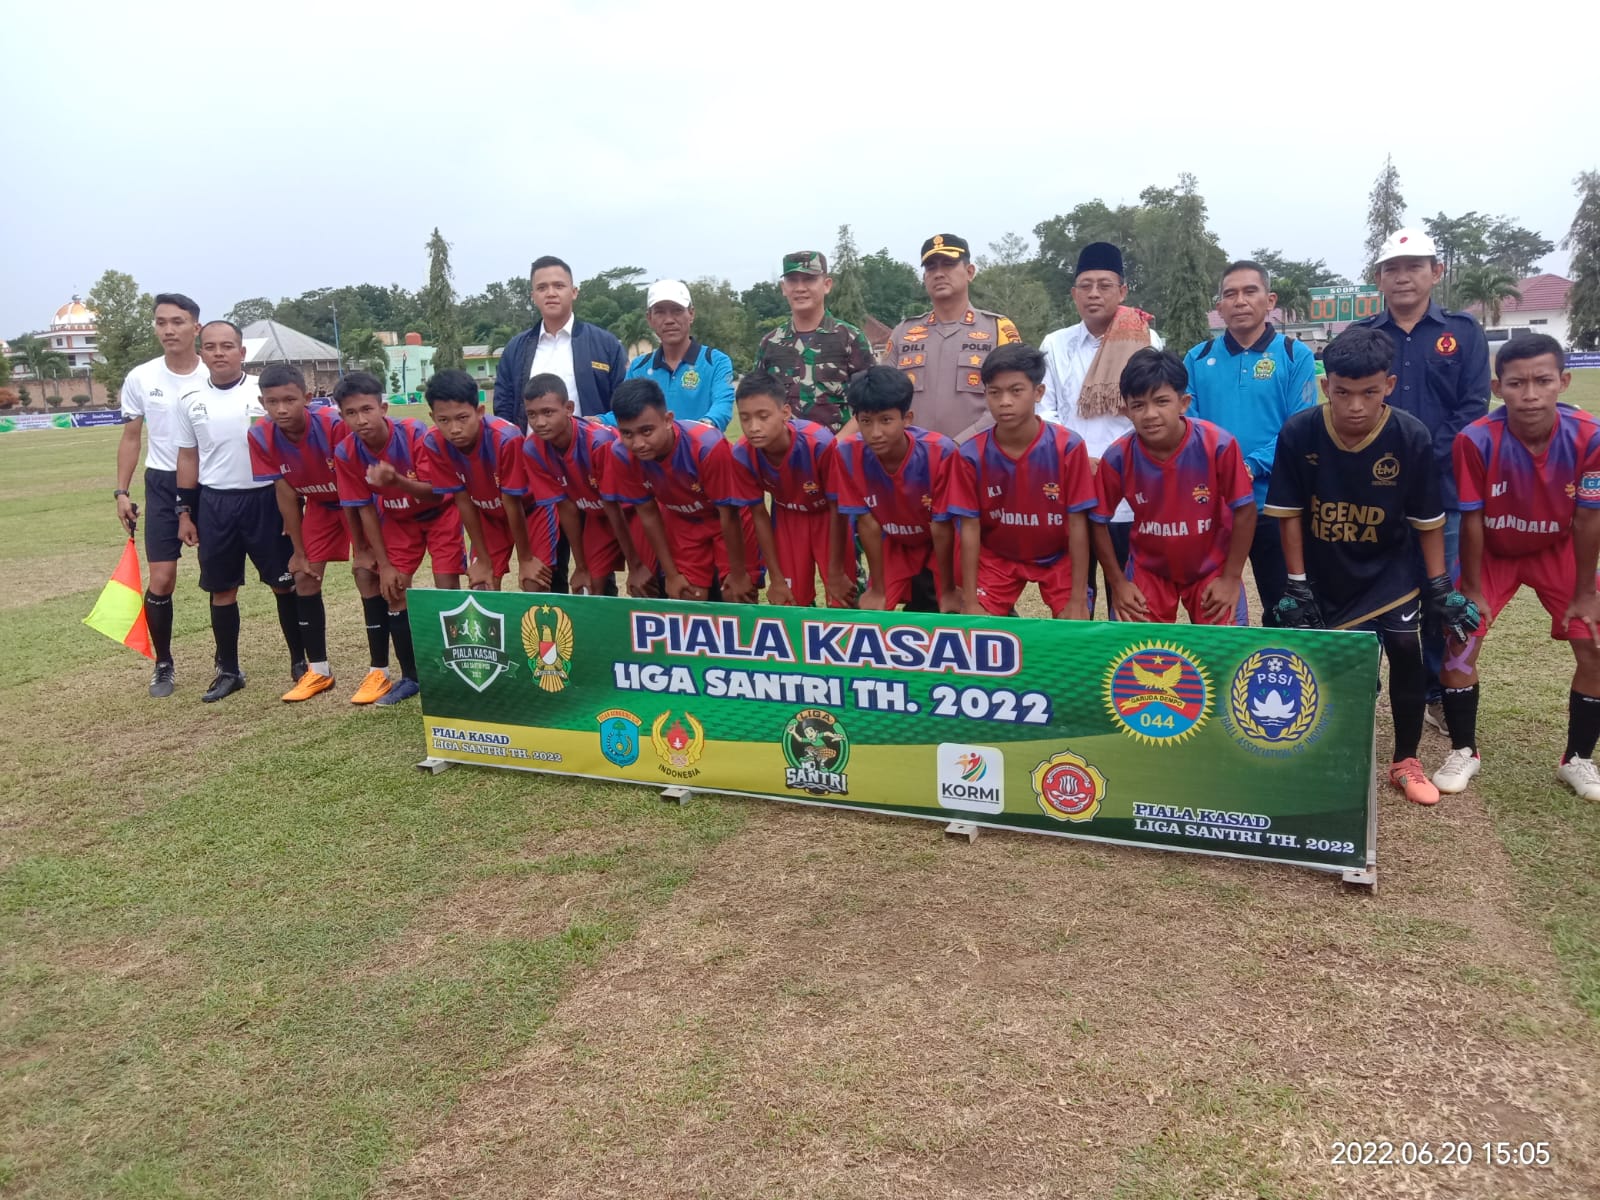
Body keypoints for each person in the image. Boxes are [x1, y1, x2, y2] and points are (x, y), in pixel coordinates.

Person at [1264, 327, 1477, 807]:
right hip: (1326, 568)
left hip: (1390, 568)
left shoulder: (1410, 435)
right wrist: (1296, 584)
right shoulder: (1299, 433)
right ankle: (1324, 752)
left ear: (1390, 384)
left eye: (1369, 392)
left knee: (1405, 647)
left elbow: (1426, 520)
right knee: (1328, 661)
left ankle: (1405, 760)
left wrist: (1440, 585)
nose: (1355, 405)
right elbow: (1291, 515)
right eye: (1343, 392)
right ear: (1326, 387)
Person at [1435, 335, 1600, 800]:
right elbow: (1470, 516)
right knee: (1460, 642)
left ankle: (1578, 759)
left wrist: (1585, 591)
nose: (1530, 394)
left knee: (1594, 643)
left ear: (1563, 382)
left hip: (1558, 550)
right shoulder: (1475, 439)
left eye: (1543, 381)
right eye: (1517, 383)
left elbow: (1589, 517)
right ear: (1496, 387)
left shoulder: (1590, 436)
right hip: (1493, 553)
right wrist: (1470, 586)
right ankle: (1464, 750)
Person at [1353, 228, 1491, 726]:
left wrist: (1418, 457)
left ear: (1436, 271)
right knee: (1365, 586)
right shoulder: (1365, 335)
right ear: (1379, 279)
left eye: (1414, 266)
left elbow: (1474, 407)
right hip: (1374, 490)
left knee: (1438, 590)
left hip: (1442, 490)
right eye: (1393, 267)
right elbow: (1352, 405)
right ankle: (1359, 687)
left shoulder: (1463, 331)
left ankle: (1433, 690)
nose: (1403, 276)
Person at [248, 363, 392, 704]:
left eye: (289, 400)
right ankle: (319, 670)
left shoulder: (333, 425)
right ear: (262, 402)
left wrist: (363, 548)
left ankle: (379, 672)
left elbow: (354, 489)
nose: (281, 409)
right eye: (272, 402)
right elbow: (285, 493)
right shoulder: (259, 435)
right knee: (304, 576)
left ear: (307, 399)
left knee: (366, 574)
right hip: (320, 507)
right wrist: (297, 550)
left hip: (358, 505)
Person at [173, 321, 301, 703]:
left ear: (242, 352)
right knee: (222, 588)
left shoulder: (265, 393)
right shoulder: (189, 397)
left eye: (227, 346)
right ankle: (228, 670)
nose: (219, 352)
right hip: (216, 503)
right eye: (210, 346)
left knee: (284, 582)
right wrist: (185, 512)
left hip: (266, 498)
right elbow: (188, 456)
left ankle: (301, 662)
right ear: (201, 352)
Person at [1184, 260, 1317, 617]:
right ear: (1219, 307)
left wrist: (1250, 465)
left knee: (1283, 607)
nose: (1240, 301)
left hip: (1275, 505)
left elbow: (1299, 428)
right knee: (1215, 607)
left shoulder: (1294, 354)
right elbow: (1188, 427)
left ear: (1269, 300)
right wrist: (1224, 470)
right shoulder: (1197, 359)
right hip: (1214, 506)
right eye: (1230, 294)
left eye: (1249, 291)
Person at [1038, 243, 1164, 616]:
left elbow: (1150, 412)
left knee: (1129, 602)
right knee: (1075, 599)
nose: (1094, 294)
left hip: (1131, 489)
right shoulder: (1055, 344)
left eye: (1104, 285)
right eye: (1086, 285)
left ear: (1122, 291)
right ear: (1074, 294)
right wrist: (1081, 457)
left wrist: (1112, 462)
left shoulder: (1146, 341)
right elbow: (1045, 411)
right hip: (1072, 486)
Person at [1093, 349, 1256, 624]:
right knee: (1133, 651)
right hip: (1149, 569)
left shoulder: (1218, 445)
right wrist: (1119, 583)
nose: (1150, 414)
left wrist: (1230, 578)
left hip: (1211, 566)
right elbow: (1096, 520)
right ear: (1126, 410)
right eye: (1138, 405)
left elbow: (1246, 510)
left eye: (1161, 401)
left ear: (1183, 403)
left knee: (1227, 651)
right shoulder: (1118, 456)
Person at [334, 371, 465, 707]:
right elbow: (364, 509)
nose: (361, 420)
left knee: (446, 588)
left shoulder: (416, 434)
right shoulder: (347, 452)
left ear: (383, 407)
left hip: (439, 515)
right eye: (351, 413)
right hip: (397, 520)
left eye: (367, 409)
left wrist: (395, 481)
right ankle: (411, 677)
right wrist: (385, 564)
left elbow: (436, 494)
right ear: (341, 416)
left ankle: (457, 671)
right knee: (393, 590)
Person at [945, 344, 1095, 619]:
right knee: (978, 626)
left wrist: (1077, 598)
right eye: (995, 392)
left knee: (1074, 625)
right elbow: (969, 528)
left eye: (1016, 391)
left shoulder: (1068, 447)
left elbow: (1077, 523)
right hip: (997, 557)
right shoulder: (970, 454)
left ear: (1038, 393)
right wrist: (970, 598)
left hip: (1057, 556)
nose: (1004, 401)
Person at [114, 292, 209, 697]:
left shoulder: (214, 373)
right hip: (162, 483)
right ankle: (164, 664)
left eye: (177, 321)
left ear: (195, 327)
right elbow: (131, 437)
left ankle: (228, 663)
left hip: (213, 482)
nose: (168, 329)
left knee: (221, 578)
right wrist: (121, 491)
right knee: (163, 578)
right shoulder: (141, 377)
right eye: (160, 322)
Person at [600, 378, 758, 603]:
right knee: (686, 596)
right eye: (627, 434)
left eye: (646, 431)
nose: (638, 443)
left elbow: (729, 514)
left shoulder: (707, 447)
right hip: (683, 520)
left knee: (736, 595)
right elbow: (648, 513)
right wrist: (672, 574)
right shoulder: (622, 455)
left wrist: (739, 573)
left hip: (727, 518)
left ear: (667, 420)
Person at [421, 369, 563, 592]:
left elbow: (512, 502)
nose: (454, 429)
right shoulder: (434, 442)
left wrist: (525, 560)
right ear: (432, 418)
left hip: (531, 511)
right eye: (443, 420)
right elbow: (463, 500)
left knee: (534, 582)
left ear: (479, 412)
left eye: (462, 418)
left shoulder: (506, 439)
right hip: (488, 516)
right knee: (481, 584)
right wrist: (484, 561)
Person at [832, 366, 959, 612]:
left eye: (886, 420)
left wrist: (949, 590)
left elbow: (942, 526)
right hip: (893, 543)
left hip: (942, 541)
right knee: (873, 610)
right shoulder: (847, 453)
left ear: (907, 418)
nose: (875, 432)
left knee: (957, 609)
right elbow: (866, 523)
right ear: (856, 420)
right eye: (866, 422)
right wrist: (877, 589)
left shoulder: (940, 452)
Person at [728, 373, 854, 608]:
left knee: (841, 600)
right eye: (745, 418)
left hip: (827, 516)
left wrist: (836, 572)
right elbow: (758, 514)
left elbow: (839, 508)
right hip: (787, 517)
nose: (754, 427)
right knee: (789, 600)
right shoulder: (742, 453)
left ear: (785, 413)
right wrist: (775, 578)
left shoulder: (819, 444)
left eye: (763, 416)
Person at [881, 235, 1022, 443]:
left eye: (948, 264)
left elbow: (1016, 398)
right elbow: (883, 399)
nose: (938, 273)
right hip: (914, 459)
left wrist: (960, 444)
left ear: (970, 272)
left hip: (980, 456)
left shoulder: (998, 329)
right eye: (930, 267)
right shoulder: (904, 332)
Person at [521, 373, 652, 597]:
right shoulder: (533, 448)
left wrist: (636, 565)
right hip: (598, 517)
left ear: (569, 408)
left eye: (548, 412)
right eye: (532, 414)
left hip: (633, 514)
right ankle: (604, 629)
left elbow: (615, 507)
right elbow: (566, 508)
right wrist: (581, 566)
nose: (540, 422)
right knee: (589, 585)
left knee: (645, 585)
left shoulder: (599, 443)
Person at [493, 256, 628, 426]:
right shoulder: (515, 349)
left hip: (592, 449)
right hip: (530, 450)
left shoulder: (606, 345)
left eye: (559, 286)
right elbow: (503, 407)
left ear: (574, 292)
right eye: (542, 288)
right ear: (533, 296)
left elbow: (626, 403)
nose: (551, 293)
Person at [751, 251, 876, 434]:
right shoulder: (770, 344)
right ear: (783, 288)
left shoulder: (850, 339)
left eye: (809, 279)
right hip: (784, 456)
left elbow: (872, 403)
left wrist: (834, 447)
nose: (800, 288)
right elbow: (757, 402)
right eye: (793, 280)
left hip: (839, 455)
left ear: (827, 285)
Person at [621, 280, 734, 430]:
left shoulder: (716, 361)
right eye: (660, 312)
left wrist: (706, 424)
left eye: (677, 311)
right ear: (649, 318)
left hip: (700, 450)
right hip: (652, 453)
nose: (669, 320)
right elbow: (623, 412)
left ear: (691, 314)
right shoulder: (638, 367)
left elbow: (722, 405)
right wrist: (598, 420)